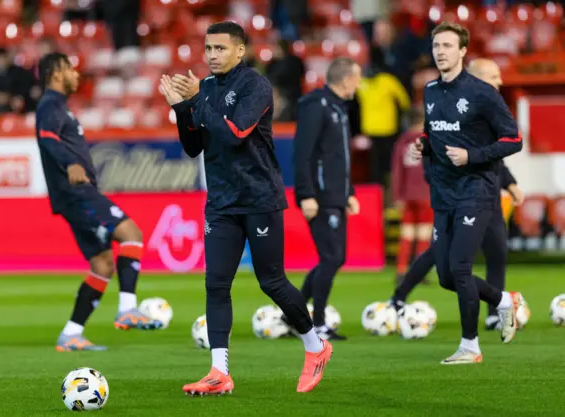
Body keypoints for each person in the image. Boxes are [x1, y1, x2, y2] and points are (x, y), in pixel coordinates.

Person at [159, 21, 332, 395]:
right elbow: (194, 147)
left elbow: (235, 133)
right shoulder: (205, 88)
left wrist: (196, 102)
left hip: (259, 196)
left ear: (240, 51)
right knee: (216, 283)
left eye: (220, 49)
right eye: (208, 49)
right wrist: (182, 110)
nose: (212, 56)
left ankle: (316, 347)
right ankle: (218, 371)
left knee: (271, 281)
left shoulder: (255, 86)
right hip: (221, 201)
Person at [410, 22, 524, 364]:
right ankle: (504, 300)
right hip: (443, 193)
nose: (441, 51)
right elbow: (434, 134)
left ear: (462, 51)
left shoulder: (482, 93)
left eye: (447, 45)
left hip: (476, 190)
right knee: (446, 275)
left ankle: (470, 346)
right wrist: (424, 147)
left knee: (460, 267)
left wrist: (472, 156)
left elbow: (513, 139)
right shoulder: (430, 91)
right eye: (437, 46)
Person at [35, 53, 160, 352]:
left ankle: (71, 334)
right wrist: (69, 164)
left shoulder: (58, 106)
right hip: (76, 192)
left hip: (73, 195)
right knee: (131, 234)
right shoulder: (50, 104)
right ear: (56, 74)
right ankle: (128, 308)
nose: (76, 74)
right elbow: (47, 138)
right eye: (70, 69)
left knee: (102, 264)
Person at [390, 58, 525, 331]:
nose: (499, 81)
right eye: (494, 76)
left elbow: (500, 151)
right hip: (457, 196)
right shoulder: (451, 107)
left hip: (486, 192)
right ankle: (400, 295)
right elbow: (435, 145)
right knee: (445, 261)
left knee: (496, 253)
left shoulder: (489, 110)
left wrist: (508, 183)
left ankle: (491, 315)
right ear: (476, 78)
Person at [291, 57, 362, 341]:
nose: (358, 83)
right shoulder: (316, 105)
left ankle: (291, 314)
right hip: (319, 196)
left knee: (334, 257)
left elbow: (339, 158)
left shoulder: (337, 108)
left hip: (335, 195)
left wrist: (349, 192)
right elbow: (303, 153)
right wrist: (306, 194)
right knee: (331, 257)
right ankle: (316, 323)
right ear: (346, 79)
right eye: (357, 78)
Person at [391, 108, 432, 285]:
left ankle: (401, 271)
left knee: (407, 235)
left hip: (407, 195)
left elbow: (397, 171)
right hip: (425, 193)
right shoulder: (428, 140)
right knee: (423, 235)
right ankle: (419, 272)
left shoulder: (402, 141)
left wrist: (397, 196)